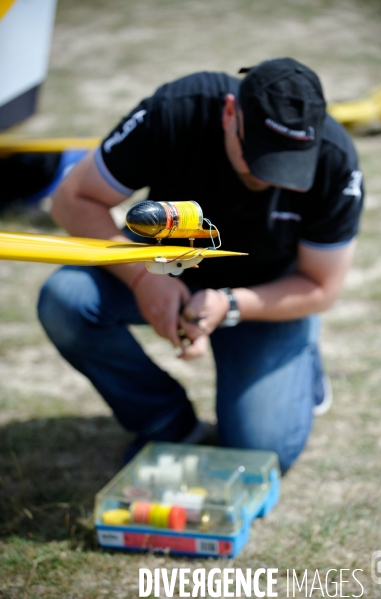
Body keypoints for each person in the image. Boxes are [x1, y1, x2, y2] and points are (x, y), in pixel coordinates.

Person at [37, 57, 364, 474]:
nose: (266, 177)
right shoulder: (177, 110)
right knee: (65, 300)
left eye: (284, 166)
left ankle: (302, 363)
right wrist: (142, 277)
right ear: (230, 113)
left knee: (259, 452)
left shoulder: (336, 161)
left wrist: (230, 304)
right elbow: (73, 199)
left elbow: (322, 286)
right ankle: (165, 421)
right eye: (256, 156)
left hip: (263, 294)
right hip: (166, 259)